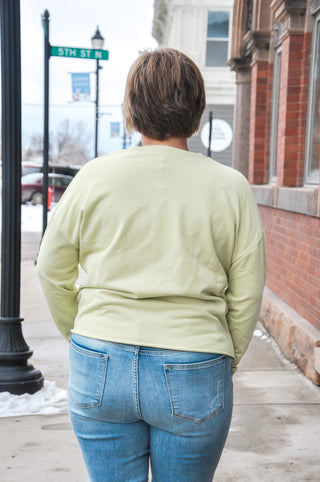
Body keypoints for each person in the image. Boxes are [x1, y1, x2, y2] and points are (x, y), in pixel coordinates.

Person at [37, 48, 266, 482]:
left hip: (100, 353)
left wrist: (82, 333)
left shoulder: (94, 177)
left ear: (131, 110)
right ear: (196, 112)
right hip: (195, 358)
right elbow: (247, 289)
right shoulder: (230, 187)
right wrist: (225, 355)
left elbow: (51, 268)